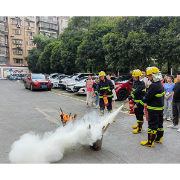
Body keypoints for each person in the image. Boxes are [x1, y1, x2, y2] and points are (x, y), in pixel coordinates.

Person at [135, 67, 164, 147]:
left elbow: (148, 97)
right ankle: (159, 138)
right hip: (160, 109)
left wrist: (138, 104)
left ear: (153, 75)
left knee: (152, 125)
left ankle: (150, 142)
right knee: (159, 124)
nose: (148, 77)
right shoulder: (160, 84)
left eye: (149, 75)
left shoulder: (153, 85)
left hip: (153, 109)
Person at [126, 69, 146, 133]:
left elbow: (136, 91)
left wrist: (130, 97)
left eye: (136, 77)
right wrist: (130, 97)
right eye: (134, 77)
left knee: (139, 114)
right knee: (137, 114)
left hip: (140, 102)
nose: (135, 78)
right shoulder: (135, 82)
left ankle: (139, 129)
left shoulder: (141, 83)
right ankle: (138, 125)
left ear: (139, 77)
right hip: (136, 101)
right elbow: (133, 91)